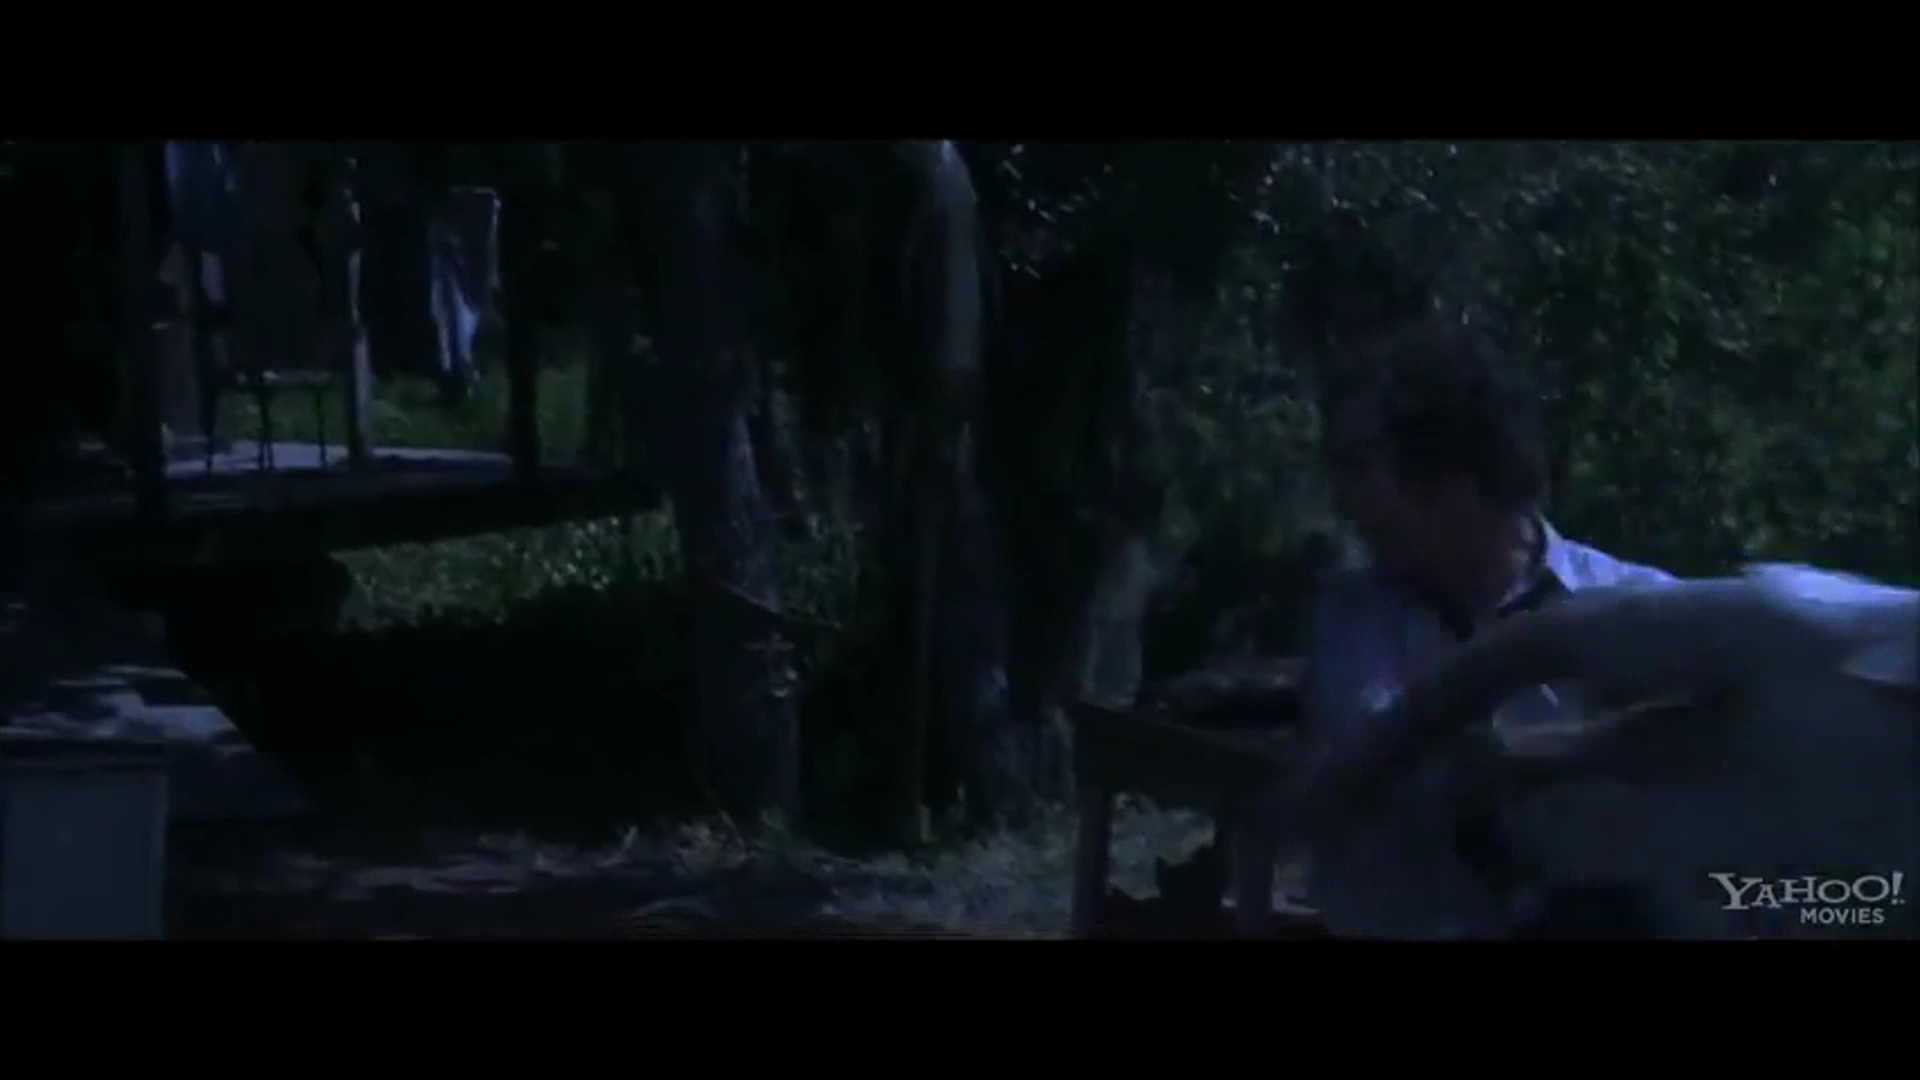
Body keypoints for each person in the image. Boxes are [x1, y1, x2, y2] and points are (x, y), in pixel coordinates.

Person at [1236, 319, 1677, 939]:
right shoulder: (1352, 618)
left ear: (1456, 472)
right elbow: (1359, 773)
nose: (1340, 497)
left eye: (1358, 465)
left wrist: (1555, 755)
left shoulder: (1638, 609)